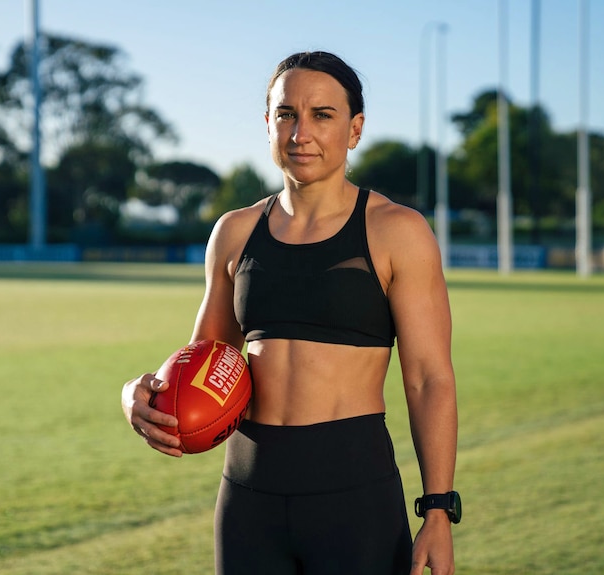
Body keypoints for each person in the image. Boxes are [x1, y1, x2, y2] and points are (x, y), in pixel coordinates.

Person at [122, 50, 458, 575]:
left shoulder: (398, 231)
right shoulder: (233, 232)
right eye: (286, 114)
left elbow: (429, 379)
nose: (301, 132)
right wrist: (138, 397)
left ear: (355, 128)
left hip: (354, 497)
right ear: (268, 123)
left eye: (322, 115)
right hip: (248, 497)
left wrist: (438, 509)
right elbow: (203, 361)